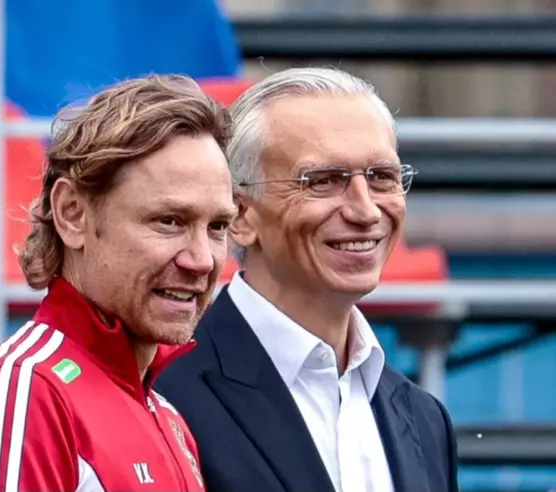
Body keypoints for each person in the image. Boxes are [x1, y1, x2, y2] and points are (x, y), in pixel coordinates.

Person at [0, 74, 236, 492]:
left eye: (218, 226)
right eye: (169, 221)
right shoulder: (23, 396)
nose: (202, 259)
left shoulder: (168, 419)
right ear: (72, 214)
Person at [156, 67, 459, 492]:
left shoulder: (426, 420)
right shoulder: (162, 393)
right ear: (239, 215)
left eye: (382, 177)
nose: (365, 211)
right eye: (323, 181)